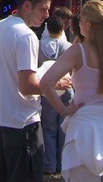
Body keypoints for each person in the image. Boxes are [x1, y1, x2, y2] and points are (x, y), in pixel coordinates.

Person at [39, 0, 103, 181]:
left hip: (85, 128)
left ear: (87, 24)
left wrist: (64, 110)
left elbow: (46, 82)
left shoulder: (78, 51)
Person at [0, 0, 54, 182]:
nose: (47, 15)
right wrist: (54, 85)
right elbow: (26, 86)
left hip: (1, 120)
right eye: (43, 9)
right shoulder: (25, 35)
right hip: (22, 123)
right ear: (27, 6)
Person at [38, 15, 72, 178]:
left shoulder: (38, 46)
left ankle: (49, 163)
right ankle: (63, 163)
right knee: (64, 129)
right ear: (63, 28)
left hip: (48, 91)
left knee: (48, 128)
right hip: (66, 88)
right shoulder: (68, 46)